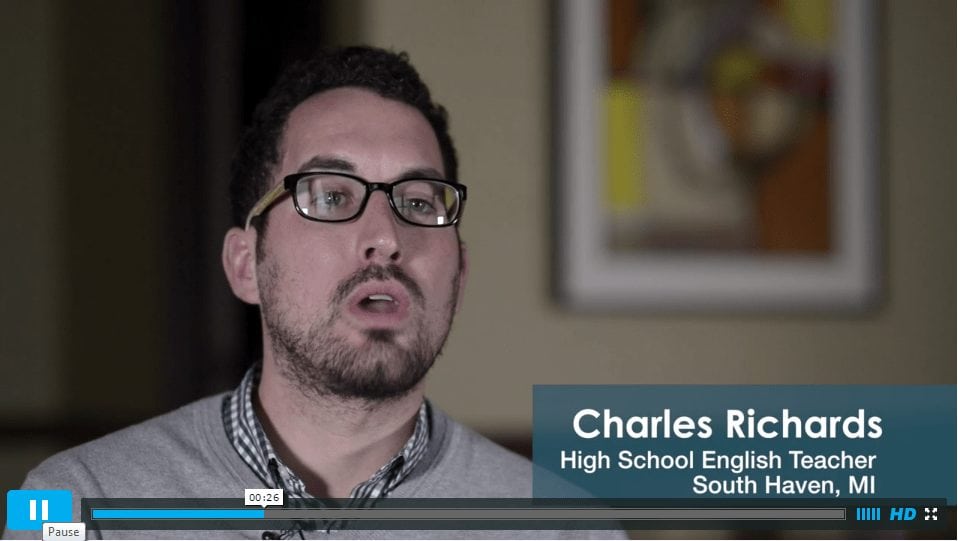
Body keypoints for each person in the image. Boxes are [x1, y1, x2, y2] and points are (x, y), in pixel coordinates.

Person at [5, 46, 619, 539]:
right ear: (246, 266)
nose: (386, 239)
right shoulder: (76, 502)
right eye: (331, 196)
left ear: (458, 275)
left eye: (418, 203)